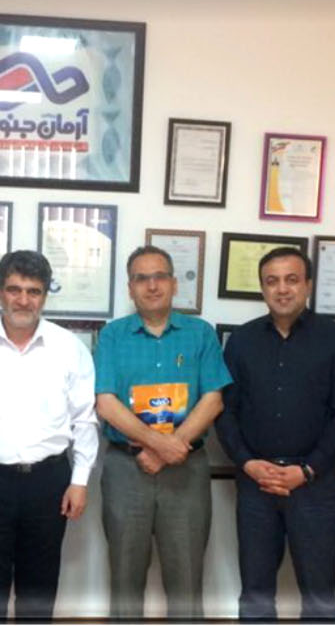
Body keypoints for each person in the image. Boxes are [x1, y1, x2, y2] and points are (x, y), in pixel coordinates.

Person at [0, 250, 99, 620]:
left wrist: (79, 481)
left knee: (39, 586)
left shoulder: (69, 348)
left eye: (33, 291)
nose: (23, 300)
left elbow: (85, 421)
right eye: (14, 289)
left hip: (49, 481)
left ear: (45, 296)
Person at [217, 247, 335, 620]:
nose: (282, 289)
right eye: (272, 281)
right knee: (255, 592)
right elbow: (226, 411)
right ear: (263, 288)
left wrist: (309, 470)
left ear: (308, 285)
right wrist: (248, 463)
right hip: (256, 483)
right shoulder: (242, 340)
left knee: (318, 594)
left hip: (314, 485)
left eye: (292, 279)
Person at [94, 245, 231, 619]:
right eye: (141, 278)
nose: (151, 286)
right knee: (124, 576)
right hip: (126, 470)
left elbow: (213, 400)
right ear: (130, 287)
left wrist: (173, 447)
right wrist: (157, 445)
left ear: (173, 283)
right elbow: (105, 403)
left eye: (159, 277)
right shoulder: (112, 336)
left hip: (186, 469)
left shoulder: (200, 334)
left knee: (186, 577)